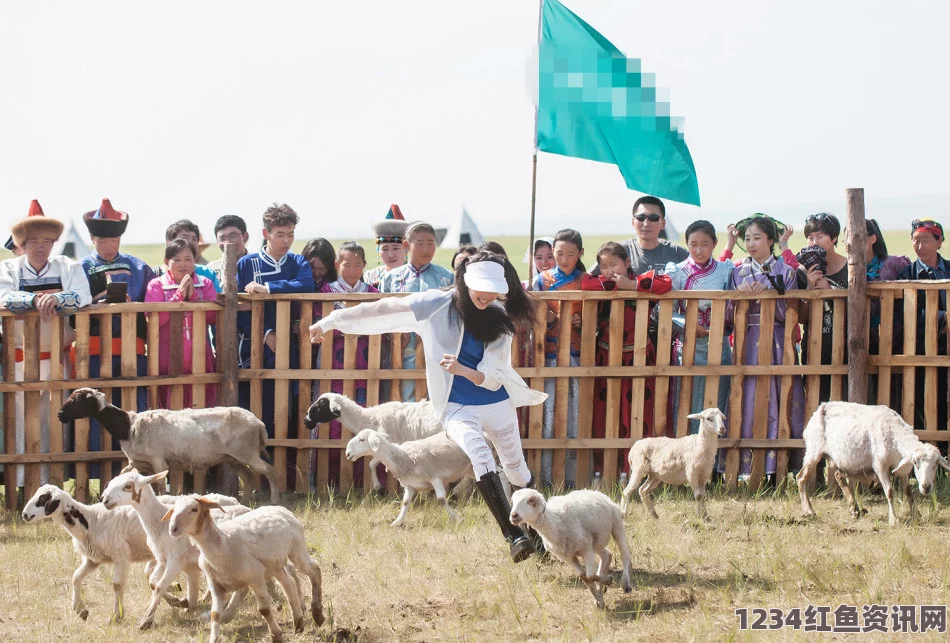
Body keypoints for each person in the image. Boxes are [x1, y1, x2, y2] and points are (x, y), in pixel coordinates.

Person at [310, 251, 546, 562]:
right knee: (477, 452)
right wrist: (331, 321)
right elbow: (383, 310)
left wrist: (464, 370)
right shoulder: (435, 305)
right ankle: (513, 535)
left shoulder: (499, 314)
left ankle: (541, 537)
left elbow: (496, 374)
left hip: (496, 401)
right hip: (456, 406)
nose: (487, 295)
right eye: (481, 288)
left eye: (493, 289)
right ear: (463, 281)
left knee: (517, 469)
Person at [0, 200, 91, 487]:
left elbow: (83, 295)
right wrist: (34, 299)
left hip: (56, 359)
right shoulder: (10, 269)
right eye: (34, 241)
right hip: (19, 360)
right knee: (20, 426)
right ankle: (22, 486)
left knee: (54, 424)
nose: (41, 247)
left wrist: (59, 299)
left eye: (47, 241)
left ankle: (52, 486)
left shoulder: (67, 265)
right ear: (22, 243)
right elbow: (4, 296)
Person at [237, 203, 314, 492]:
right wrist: (266, 332)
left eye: (291, 233)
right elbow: (238, 309)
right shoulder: (246, 264)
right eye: (280, 234)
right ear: (265, 233)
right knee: (254, 413)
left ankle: (284, 482)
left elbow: (305, 285)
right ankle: (254, 483)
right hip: (253, 351)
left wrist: (268, 290)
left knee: (287, 412)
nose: (286, 240)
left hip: (291, 350)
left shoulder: (298, 262)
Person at [78, 198, 154, 474]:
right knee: (97, 410)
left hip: (133, 349)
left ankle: (140, 470)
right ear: (92, 238)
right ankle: (97, 474)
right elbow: (74, 310)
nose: (109, 245)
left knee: (135, 409)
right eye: (102, 240)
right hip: (95, 352)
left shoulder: (139, 267)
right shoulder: (81, 268)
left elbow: (151, 307)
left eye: (114, 239)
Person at [726, 216, 805, 480]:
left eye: (757, 238)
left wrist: (770, 293)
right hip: (748, 342)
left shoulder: (786, 273)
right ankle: (745, 468)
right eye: (747, 238)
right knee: (747, 398)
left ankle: (781, 468)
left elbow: (793, 313)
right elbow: (727, 316)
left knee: (783, 396)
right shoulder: (736, 273)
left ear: (771, 241)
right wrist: (741, 299)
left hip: (779, 341)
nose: (751, 243)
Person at [584, 241, 671, 476]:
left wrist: (631, 285)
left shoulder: (643, 280)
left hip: (640, 356)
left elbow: (666, 283)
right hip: (607, 356)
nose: (609, 270)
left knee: (638, 412)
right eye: (603, 266)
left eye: (615, 264)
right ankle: (606, 469)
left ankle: (640, 468)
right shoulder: (601, 284)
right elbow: (585, 282)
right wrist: (612, 283)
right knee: (605, 412)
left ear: (627, 263)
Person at [316, 241, 379, 488]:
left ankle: (366, 479)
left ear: (364, 265)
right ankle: (329, 479)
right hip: (334, 359)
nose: (352, 269)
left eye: (357, 264)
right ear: (336, 265)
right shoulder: (325, 292)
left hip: (366, 359)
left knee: (364, 410)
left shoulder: (373, 293)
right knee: (334, 409)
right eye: (346, 264)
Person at [665, 221, 734, 435]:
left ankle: (715, 462)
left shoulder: (726, 270)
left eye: (704, 244)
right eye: (693, 244)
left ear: (714, 243)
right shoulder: (676, 272)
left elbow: (733, 306)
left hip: (720, 343)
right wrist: (688, 325)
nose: (698, 249)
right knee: (687, 401)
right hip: (688, 345)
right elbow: (663, 310)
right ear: (686, 244)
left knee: (719, 400)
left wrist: (725, 324)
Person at [378, 222, 454, 401]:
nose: (426, 249)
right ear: (406, 245)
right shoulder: (390, 278)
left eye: (430, 243)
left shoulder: (446, 277)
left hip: (436, 351)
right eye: (420, 244)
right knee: (399, 400)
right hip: (399, 350)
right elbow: (382, 312)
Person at [534, 229, 586, 487]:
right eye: (559, 253)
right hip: (549, 356)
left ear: (580, 254)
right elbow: (532, 315)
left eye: (570, 254)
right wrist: (543, 319)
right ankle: (544, 479)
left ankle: (570, 480)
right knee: (547, 418)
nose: (564, 259)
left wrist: (583, 322)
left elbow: (599, 322)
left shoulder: (587, 281)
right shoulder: (541, 281)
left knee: (573, 418)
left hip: (576, 356)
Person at [145, 238, 218, 409]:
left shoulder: (205, 284)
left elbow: (213, 318)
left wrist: (194, 298)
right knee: (169, 410)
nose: (182, 264)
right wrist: (178, 297)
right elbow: (155, 321)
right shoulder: (156, 285)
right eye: (176, 260)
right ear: (166, 262)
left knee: (202, 408)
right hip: (166, 357)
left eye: (188, 259)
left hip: (200, 355)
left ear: (196, 259)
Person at [896, 218, 949, 432]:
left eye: (925, 240)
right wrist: (943, 317)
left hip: (947, 347)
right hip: (919, 348)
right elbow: (905, 313)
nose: (919, 246)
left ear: (939, 241)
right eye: (915, 240)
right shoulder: (906, 275)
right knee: (920, 401)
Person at [796, 213, 849, 404]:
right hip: (815, 344)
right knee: (815, 402)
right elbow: (801, 318)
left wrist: (830, 291)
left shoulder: (850, 267)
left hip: (848, 344)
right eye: (810, 237)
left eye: (820, 236)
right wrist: (810, 290)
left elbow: (860, 310)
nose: (814, 242)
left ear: (834, 238)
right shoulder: (802, 272)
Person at [594, 196, 687, 276]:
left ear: (663, 223)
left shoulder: (677, 252)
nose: (646, 223)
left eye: (653, 218)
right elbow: (588, 277)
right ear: (633, 222)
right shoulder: (618, 250)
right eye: (641, 218)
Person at [155, 220, 221, 292]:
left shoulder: (207, 273)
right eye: (185, 238)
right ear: (169, 243)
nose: (190, 243)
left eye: (194, 239)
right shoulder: (156, 274)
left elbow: (216, 301)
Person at [363, 205, 410, 289]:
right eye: (385, 249)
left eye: (395, 248)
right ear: (378, 250)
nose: (391, 255)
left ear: (406, 248)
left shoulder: (418, 276)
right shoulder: (370, 277)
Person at [207, 214, 250, 286]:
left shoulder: (259, 265)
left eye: (233, 236)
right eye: (222, 238)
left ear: (245, 237)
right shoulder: (210, 270)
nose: (228, 243)